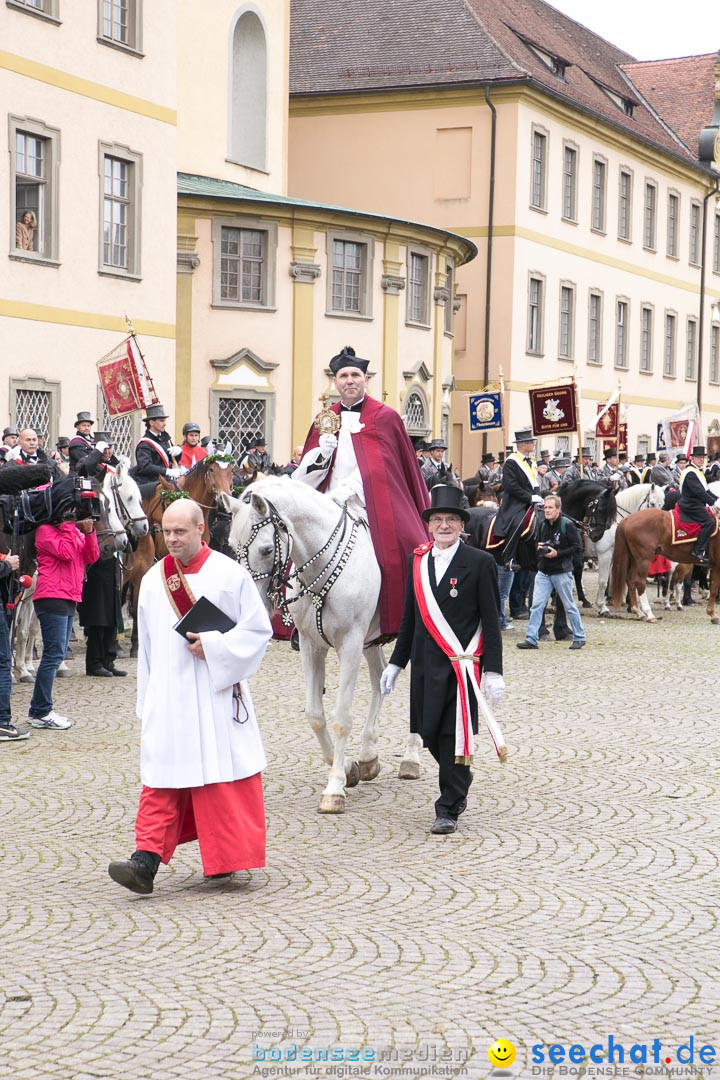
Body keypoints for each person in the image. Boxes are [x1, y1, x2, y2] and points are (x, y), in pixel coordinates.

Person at [108, 499, 272, 894]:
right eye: (167, 531)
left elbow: (257, 632)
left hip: (214, 694)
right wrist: (146, 701)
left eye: (181, 531)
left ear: (202, 529)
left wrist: (215, 647)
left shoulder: (230, 575)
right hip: (168, 694)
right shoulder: (152, 580)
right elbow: (145, 648)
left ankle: (224, 861)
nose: (173, 539)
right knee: (162, 777)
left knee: (218, 778)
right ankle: (144, 861)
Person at [380, 485, 505, 835]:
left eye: (452, 519)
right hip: (424, 664)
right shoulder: (416, 560)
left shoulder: (480, 563)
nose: (445, 525)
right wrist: (395, 662)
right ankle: (460, 774)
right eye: (438, 520)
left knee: (452, 737)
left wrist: (493, 670)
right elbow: (410, 618)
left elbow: (492, 621)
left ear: (461, 525)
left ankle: (448, 805)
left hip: (460, 666)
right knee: (429, 733)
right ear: (429, 526)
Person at [294, 345, 429, 637]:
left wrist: (348, 490)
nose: (349, 380)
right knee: (294, 549)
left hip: (368, 501)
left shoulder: (385, 416)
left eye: (355, 374)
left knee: (411, 546)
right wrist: (321, 454)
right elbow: (309, 469)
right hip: (327, 499)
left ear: (365, 379)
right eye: (343, 376)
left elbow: (383, 465)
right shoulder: (325, 418)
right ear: (335, 382)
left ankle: (406, 618)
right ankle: (298, 619)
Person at [28, 504, 99, 729]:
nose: (71, 516)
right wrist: (70, 526)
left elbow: (91, 555)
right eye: (67, 512)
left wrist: (89, 532)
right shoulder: (45, 531)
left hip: (68, 595)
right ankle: (40, 711)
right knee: (53, 655)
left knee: (56, 655)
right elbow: (67, 554)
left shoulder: (71, 531)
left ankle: (39, 710)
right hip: (52, 595)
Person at [516, 494, 586, 651]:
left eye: (550, 508)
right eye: (545, 507)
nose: (547, 511)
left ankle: (579, 637)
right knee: (536, 606)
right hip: (544, 572)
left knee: (569, 606)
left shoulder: (567, 525)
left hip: (561, 572)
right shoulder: (542, 525)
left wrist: (557, 553)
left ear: (558, 509)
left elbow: (577, 548)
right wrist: (540, 548)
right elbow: (538, 543)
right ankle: (531, 638)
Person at [492, 427, 543, 570]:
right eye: (530, 442)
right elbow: (511, 486)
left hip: (533, 500)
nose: (532, 445)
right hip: (516, 502)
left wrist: (539, 496)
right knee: (518, 523)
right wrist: (530, 497)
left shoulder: (531, 461)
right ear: (522, 445)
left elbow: (534, 482)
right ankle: (509, 557)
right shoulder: (511, 462)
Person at [678, 445, 720, 565]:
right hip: (690, 504)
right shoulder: (690, 472)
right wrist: (714, 503)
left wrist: (718, 500)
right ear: (693, 459)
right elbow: (699, 492)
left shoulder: (697, 471)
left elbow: (706, 491)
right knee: (710, 522)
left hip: (696, 503)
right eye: (699, 457)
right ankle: (697, 551)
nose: (701, 459)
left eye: (703, 457)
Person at [133, 404, 184, 484]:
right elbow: (145, 467)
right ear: (151, 422)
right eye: (161, 421)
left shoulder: (164, 439)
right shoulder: (144, 444)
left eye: (165, 420)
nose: (165, 424)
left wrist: (178, 453)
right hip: (150, 484)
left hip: (165, 482)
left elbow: (170, 460)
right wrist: (167, 471)